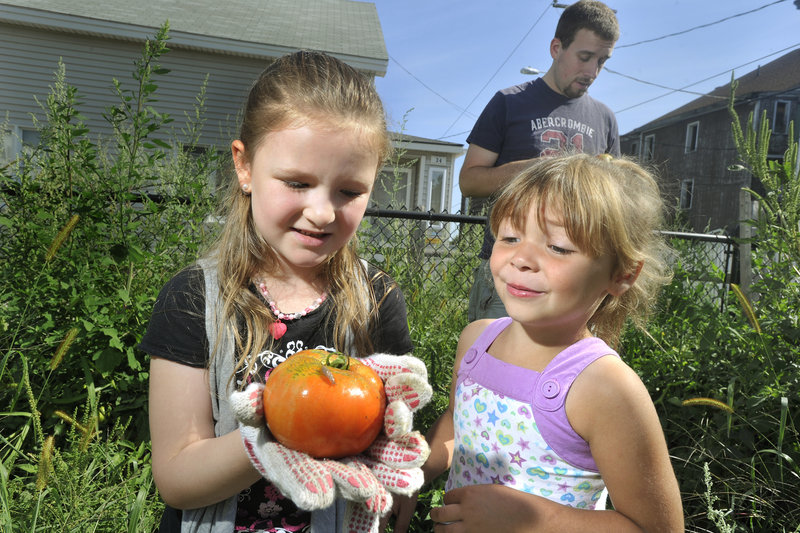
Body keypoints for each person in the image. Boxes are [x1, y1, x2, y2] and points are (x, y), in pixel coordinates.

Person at [140, 50, 431, 533]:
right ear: (245, 167)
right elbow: (175, 478)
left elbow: (386, 457)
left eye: (349, 191)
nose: (322, 212)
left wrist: (394, 466)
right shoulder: (194, 298)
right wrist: (270, 437)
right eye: (298, 182)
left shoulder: (377, 298)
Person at [396, 154, 684, 532]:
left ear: (622, 274)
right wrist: (414, 473)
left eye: (559, 247)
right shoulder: (476, 340)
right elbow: (455, 424)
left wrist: (537, 521)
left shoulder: (606, 388)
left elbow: (659, 528)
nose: (522, 258)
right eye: (510, 237)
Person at [462, 0, 621, 322]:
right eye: (585, 57)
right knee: (493, 368)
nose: (591, 72)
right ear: (556, 48)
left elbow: (614, 202)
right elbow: (470, 182)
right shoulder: (509, 103)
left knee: (563, 373)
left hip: (575, 280)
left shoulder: (605, 119)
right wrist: (534, 170)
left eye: (602, 61)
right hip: (511, 271)